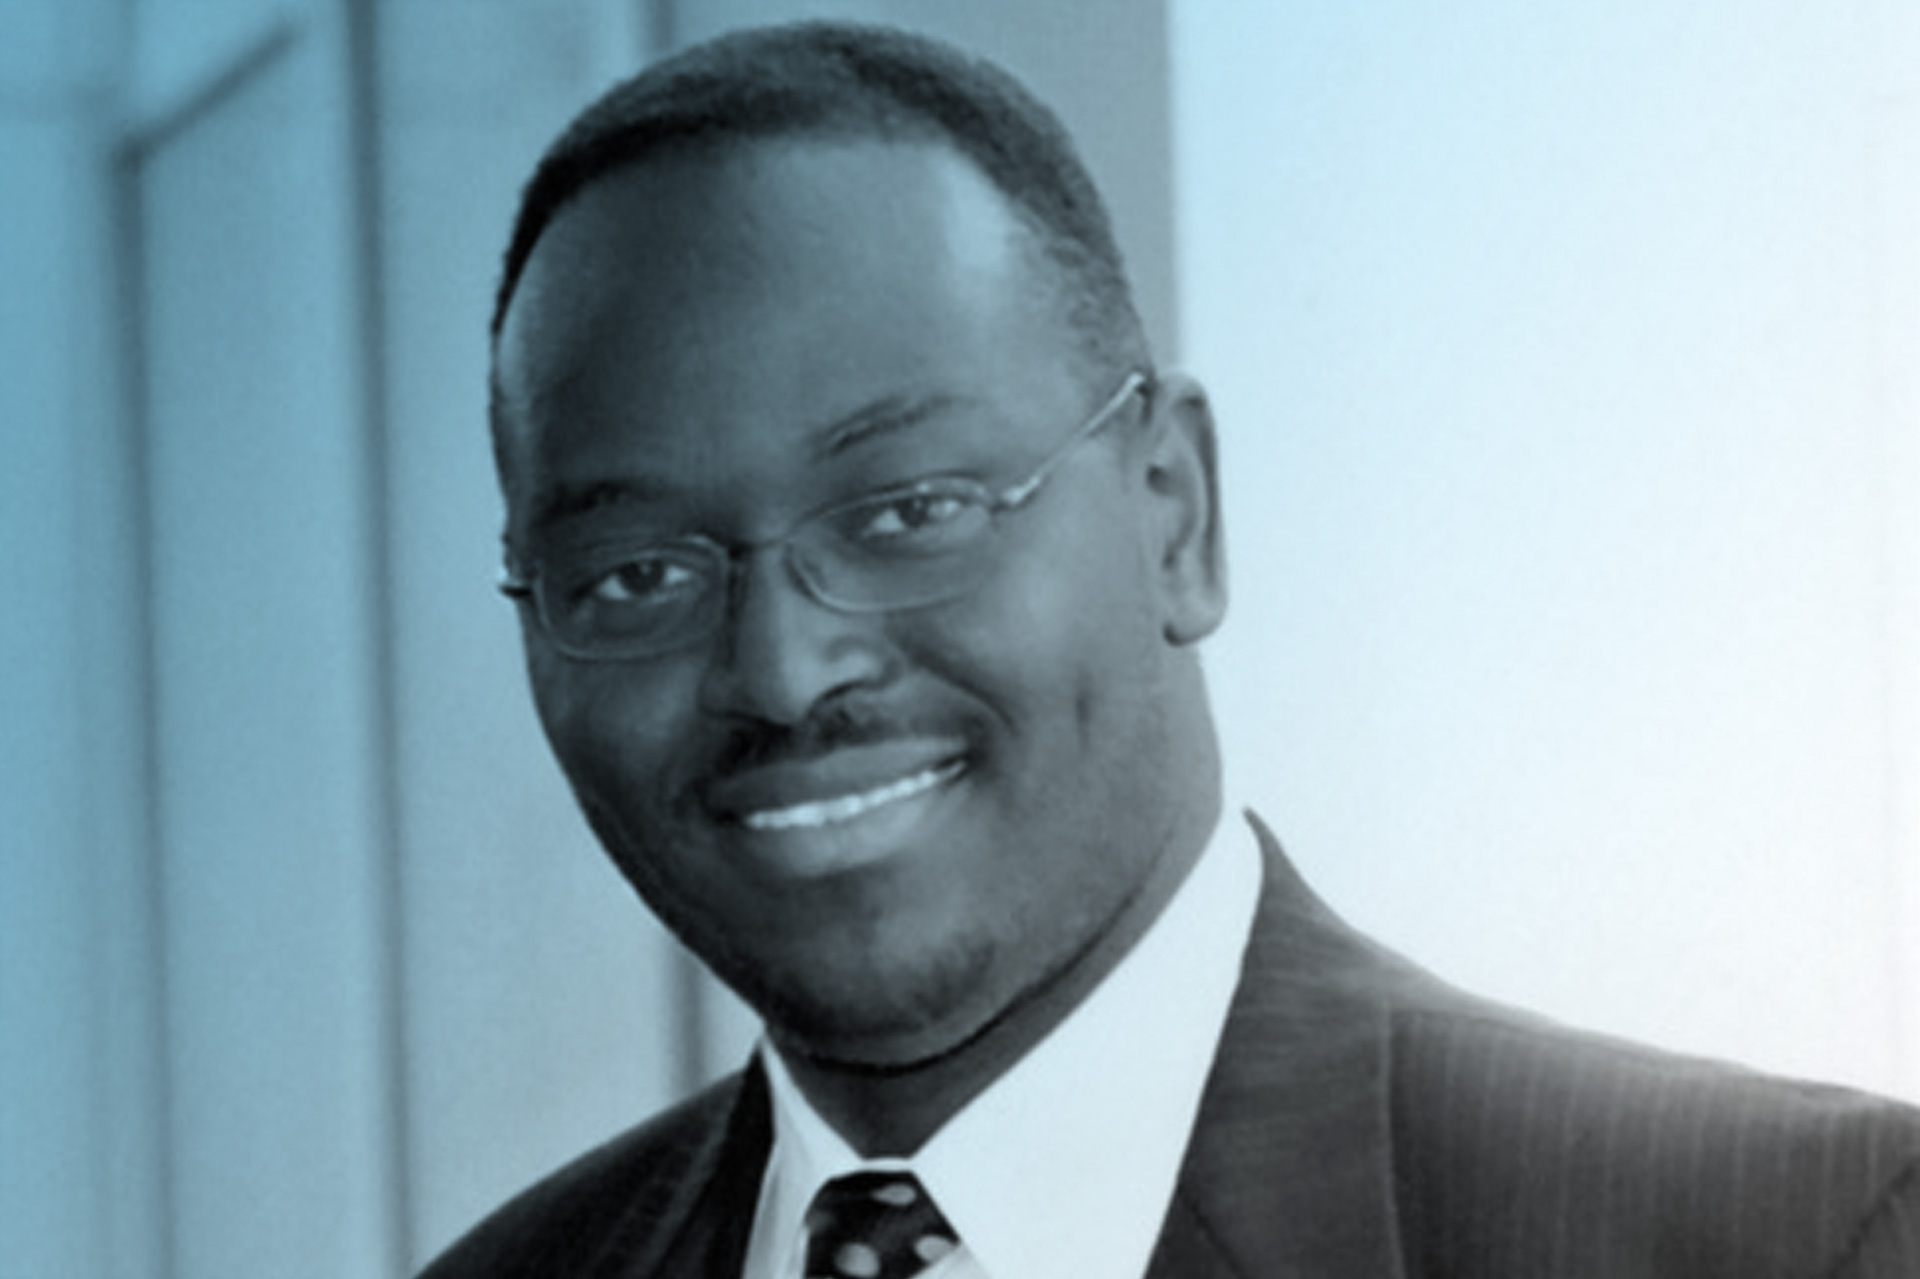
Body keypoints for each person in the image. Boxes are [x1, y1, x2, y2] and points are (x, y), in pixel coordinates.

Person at [422, 20, 1920, 1279]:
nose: (783, 670)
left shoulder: (1793, 1239)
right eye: (635, 575)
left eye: (909, 511)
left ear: (1175, 512)